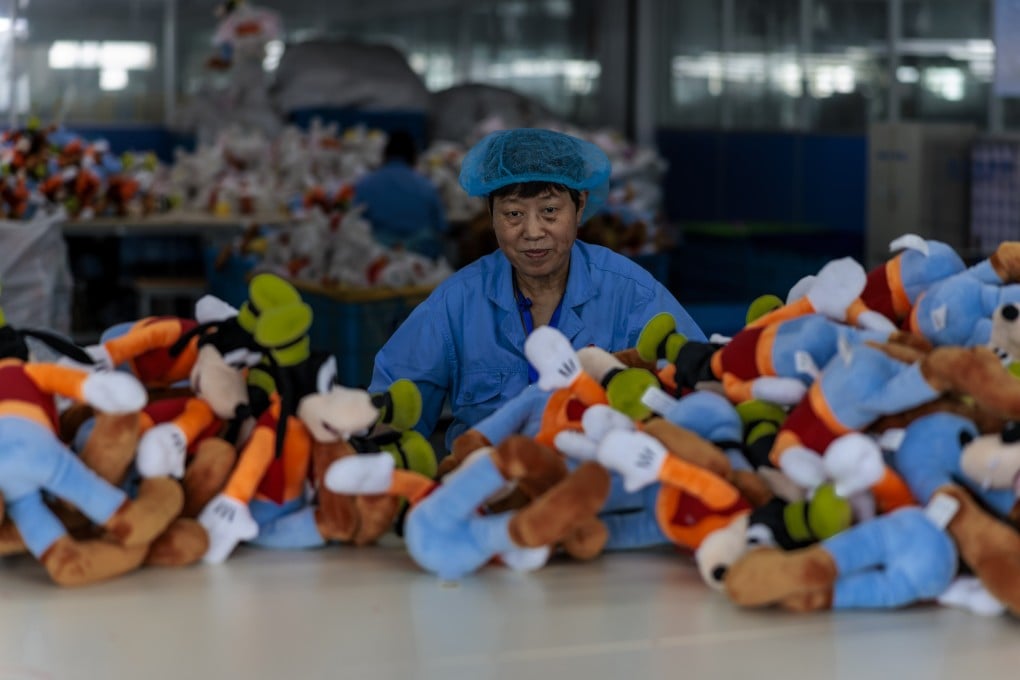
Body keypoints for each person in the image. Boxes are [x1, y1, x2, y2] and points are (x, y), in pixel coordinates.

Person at [369, 128, 705, 451]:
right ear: (490, 212)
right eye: (513, 213)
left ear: (581, 205)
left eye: (549, 211)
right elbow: (395, 404)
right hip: (486, 490)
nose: (532, 232)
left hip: (596, 490)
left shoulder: (631, 293)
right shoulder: (456, 302)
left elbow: (698, 384)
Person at [353, 130, 449, 259]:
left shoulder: (365, 185)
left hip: (377, 261)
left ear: (384, 155)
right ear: (414, 157)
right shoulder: (427, 187)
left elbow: (354, 224)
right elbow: (441, 227)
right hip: (420, 263)